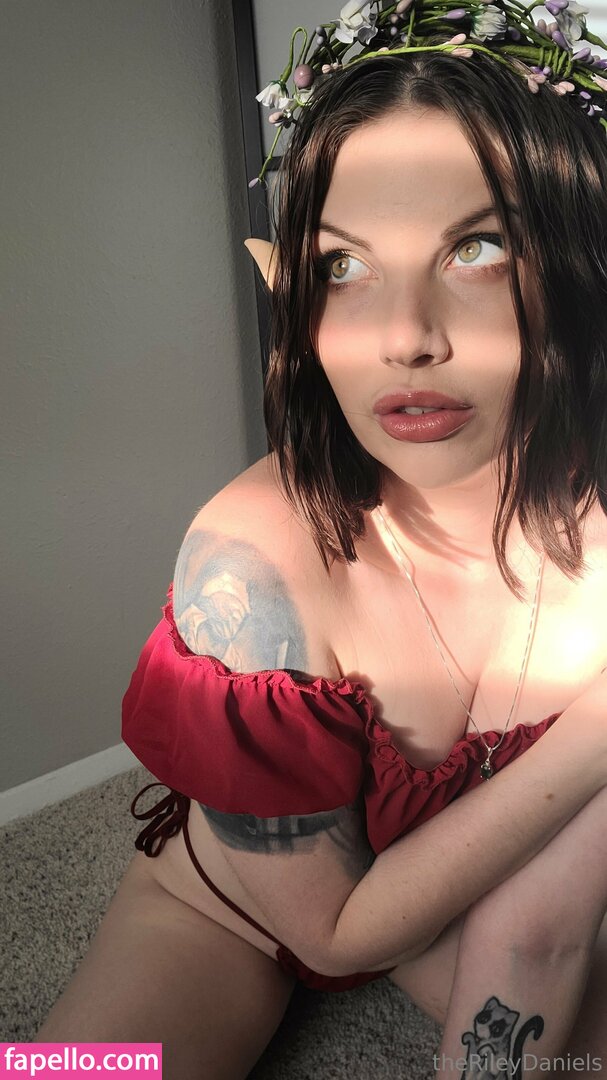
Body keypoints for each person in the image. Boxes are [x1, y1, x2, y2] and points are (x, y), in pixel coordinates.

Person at [37, 2, 607, 1077]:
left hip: (461, 901)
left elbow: (538, 932)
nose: (405, 337)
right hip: (236, 910)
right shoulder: (250, 559)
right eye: (343, 266)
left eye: (477, 248)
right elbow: (332, 932)